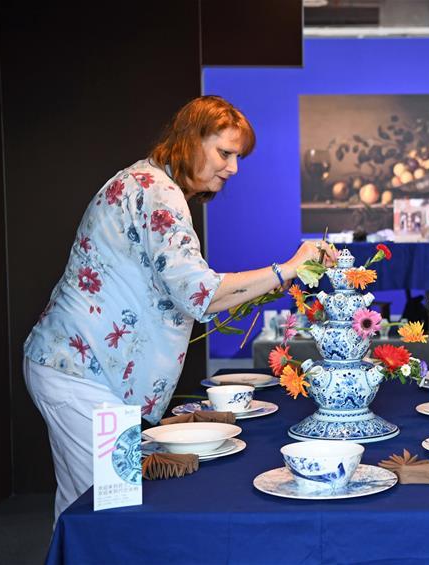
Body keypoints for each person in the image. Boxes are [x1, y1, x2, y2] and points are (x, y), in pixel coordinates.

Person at [24, 95, 336, 521]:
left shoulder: (145, 181)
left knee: (85, 506)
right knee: (106, 510)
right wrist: (290, 268)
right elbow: (201, 295)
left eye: (237, 157)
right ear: (190, 140)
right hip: (82, 374)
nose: (233, 168)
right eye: (224, 153)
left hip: (80, 369)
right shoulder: (158, 192)